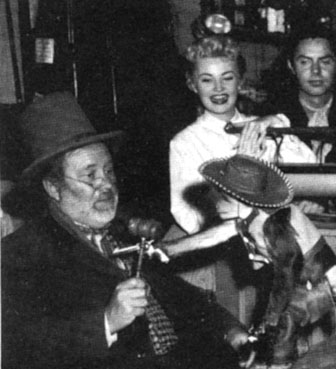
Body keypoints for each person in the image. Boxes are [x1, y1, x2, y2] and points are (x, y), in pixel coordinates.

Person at [1, 92, 250, 369]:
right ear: (53, 187)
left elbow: (184, 298)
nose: (106, 185)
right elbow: (21, 347)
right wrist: (107, 321)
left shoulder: (121, 234)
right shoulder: (20, 254)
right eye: (90, 176)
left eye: (109, 172)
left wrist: (231, 330)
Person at [169, 35, 318, 292]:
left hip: (281, 246)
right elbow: (187, 213)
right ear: (192, 85)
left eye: (227, 77)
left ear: (240, 80)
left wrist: (278, 123)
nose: (218, 88)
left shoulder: (260, 126)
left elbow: (310, 168)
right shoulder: (184, 142)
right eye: (207, 80)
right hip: (225, 259)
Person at [198, 154, 336, 366]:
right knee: (275, 326)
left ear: (242, 201)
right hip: (306, 281)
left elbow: (288, 273)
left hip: (325, 283)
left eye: (223, 199)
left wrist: (270, 319)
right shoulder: (253, 217)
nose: (217, 205)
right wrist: (168, 249)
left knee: (283, 324)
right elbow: (213, 236)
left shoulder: (272, 225)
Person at [266, 22, 336, 163]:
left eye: (325, 62)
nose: (316, 71)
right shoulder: (273, 111)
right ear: (291, 66)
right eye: (305, 62)